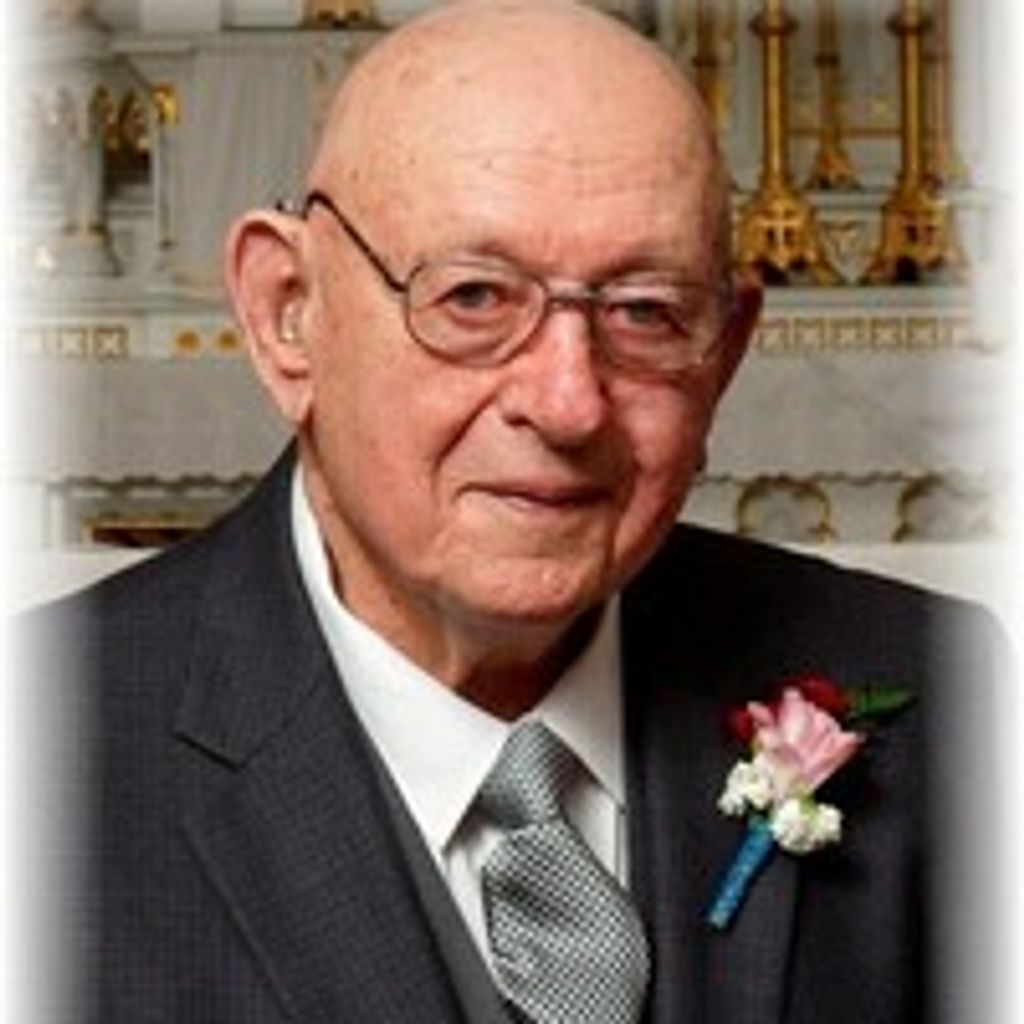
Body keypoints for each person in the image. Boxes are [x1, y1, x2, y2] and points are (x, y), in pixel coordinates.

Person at [27, 1, 999, 1021]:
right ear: (288, 314)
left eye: (646, 311)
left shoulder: (939, 695)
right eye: (474, 299)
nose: (568, 403)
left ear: (725, 353)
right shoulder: (44, 749)